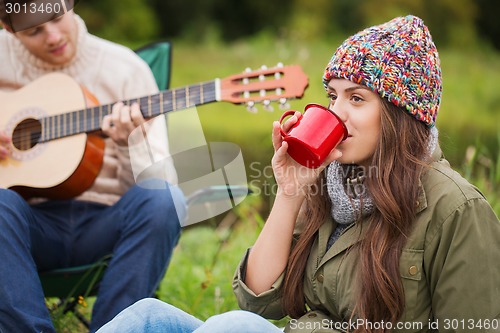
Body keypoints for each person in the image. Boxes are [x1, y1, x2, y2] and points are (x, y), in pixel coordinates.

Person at [96, 15, 500, 333]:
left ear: (401, 116)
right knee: (147, 317)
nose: (335, 112)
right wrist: (290, 193)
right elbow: (258, 300)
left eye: (356, 98)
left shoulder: (456, 209)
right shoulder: (333, 184)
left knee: (234, 328)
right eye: (333, 96)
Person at [0, 2, 185, 332]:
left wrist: (133, 143)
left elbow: (162, 184)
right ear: (9, 29)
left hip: (108, 223)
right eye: (34, 30)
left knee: (164, 199)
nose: (53, 36)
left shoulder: (126, 69)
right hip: (26, 230)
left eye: (57, 18)